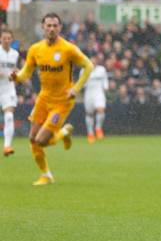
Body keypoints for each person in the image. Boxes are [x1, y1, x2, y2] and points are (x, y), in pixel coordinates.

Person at [10, 13, 93, 186]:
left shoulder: (68, 48)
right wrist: (17, 77)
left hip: (62, 101)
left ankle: (63, 133)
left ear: (60, 28)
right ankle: (46, 175)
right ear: (43, 27)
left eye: (55, 25)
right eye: (48, 25)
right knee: (32, 139)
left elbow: (88, 66)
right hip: (43, 98)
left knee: (41, 141)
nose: (52, 29)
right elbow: (27, 71)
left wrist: (76, 89)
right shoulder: (35, 49)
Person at [0, 29, 18, 156]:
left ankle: (7, 146)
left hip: (8, 89)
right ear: (0, 39)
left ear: (11, 40)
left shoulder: (15, 54)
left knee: (9, 116)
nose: (6, 40)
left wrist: (17, 75)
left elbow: (14, 69)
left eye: (8, 38)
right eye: (4, 38)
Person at [83, 56, 109, 143]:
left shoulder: (102, 70)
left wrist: (106, 87)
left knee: (100, 109)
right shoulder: (84, 70)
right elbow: (82, 83)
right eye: (91, 61)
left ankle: (98, 128)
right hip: (89, 94)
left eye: (94, 61)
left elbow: (105, 80)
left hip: (99, 93)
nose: (93, 63)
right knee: (89, 114)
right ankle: (90, 133)